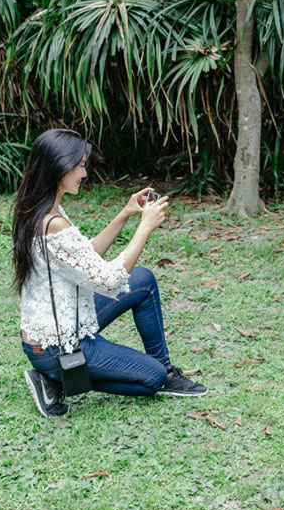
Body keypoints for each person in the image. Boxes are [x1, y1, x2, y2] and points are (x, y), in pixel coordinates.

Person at [11, 128, 206, 417]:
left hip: (62, 326)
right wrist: (145, 228)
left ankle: (165, 368)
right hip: (58, 347)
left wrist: (125, 214)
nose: (84, 173)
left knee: (143, 280)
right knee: (151, 379)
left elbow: (86, 256)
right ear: (59, 167)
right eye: (80, 165)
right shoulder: (52, 223)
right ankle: (57, 380)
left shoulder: (43, 209)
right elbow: (109, 280)